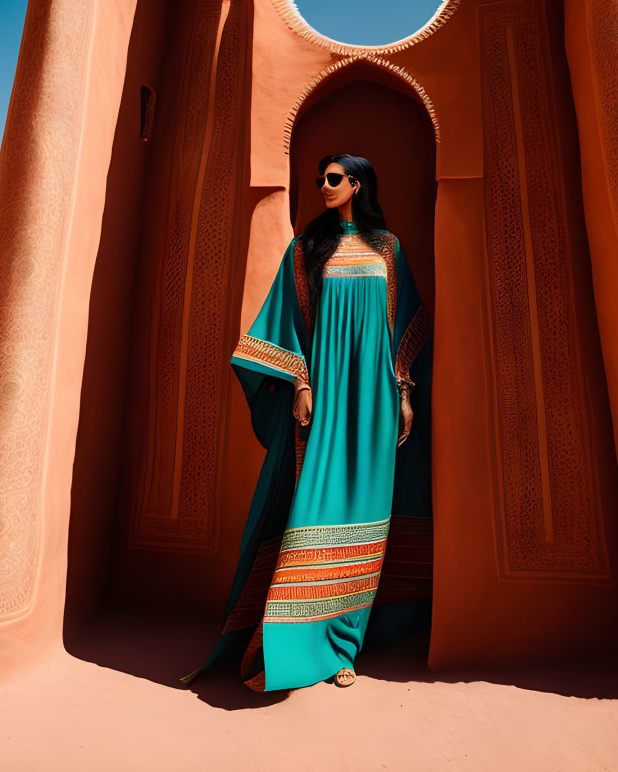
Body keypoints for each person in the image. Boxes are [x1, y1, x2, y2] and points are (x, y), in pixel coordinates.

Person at [180, 153, 433, 692]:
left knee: (367, 525)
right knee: (310, 517)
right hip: (325, 404)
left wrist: (404, 395)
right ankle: (288, 647)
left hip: (376, 406)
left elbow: (405, 325)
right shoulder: (305, 252)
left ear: (357, 184)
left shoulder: (388, 250)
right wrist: (299, 382)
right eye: (321, 178)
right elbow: (285, 322)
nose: (323, 185)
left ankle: (344, 649)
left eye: (334, 178)